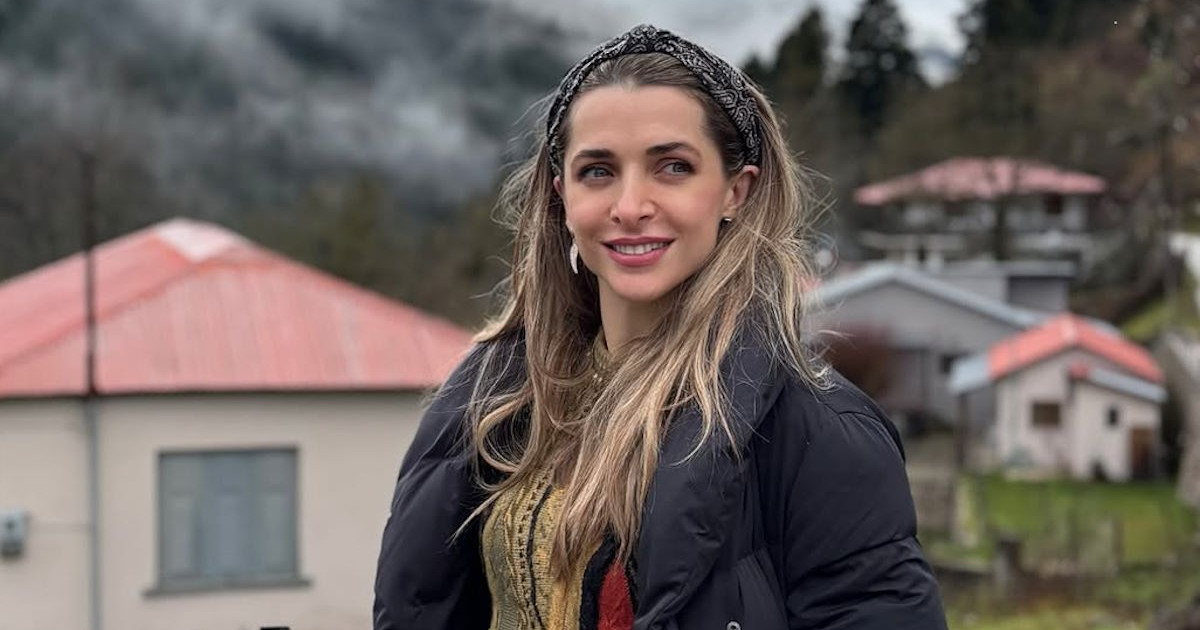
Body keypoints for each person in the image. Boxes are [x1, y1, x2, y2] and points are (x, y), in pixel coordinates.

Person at [373, 24, 947, 630]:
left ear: (736, 191)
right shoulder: (492, 403)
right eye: (598, 171)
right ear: (561, 195)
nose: (630, 206)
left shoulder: (820, 433)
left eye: (672, 167)